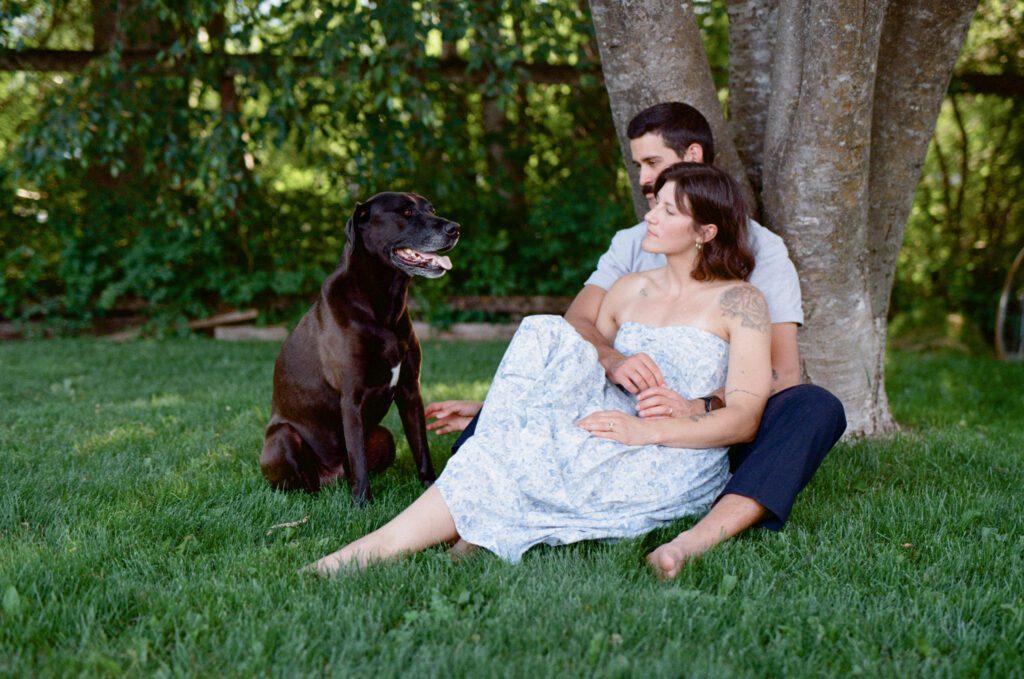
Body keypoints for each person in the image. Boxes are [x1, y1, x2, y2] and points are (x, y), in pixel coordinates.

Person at [426, 102, 847, 579]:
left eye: (652, 164)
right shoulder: (633, 241)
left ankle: (698, 537)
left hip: (722, 414)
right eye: (639, 166)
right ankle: (469, 508)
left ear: (693, 154)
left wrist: (698, 407)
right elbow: (577, 325)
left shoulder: (762, 250)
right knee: (526, 400)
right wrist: (610, 359)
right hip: (627, 404)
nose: (644, 180)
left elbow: (782, 374)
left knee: (813, 407)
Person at [307, 163, 772, 573]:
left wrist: (645, 432)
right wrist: (512, 401)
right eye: (656, 205)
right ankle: (382, 545)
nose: (650, 215)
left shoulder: (740, 302)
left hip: (670, 451)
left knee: (515, 454)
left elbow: (745, 418)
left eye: (669, 211)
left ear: (705, 232)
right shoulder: (630, 289)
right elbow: (570, 358)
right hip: (597, 428)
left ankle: (444, 532)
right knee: (544, 331)